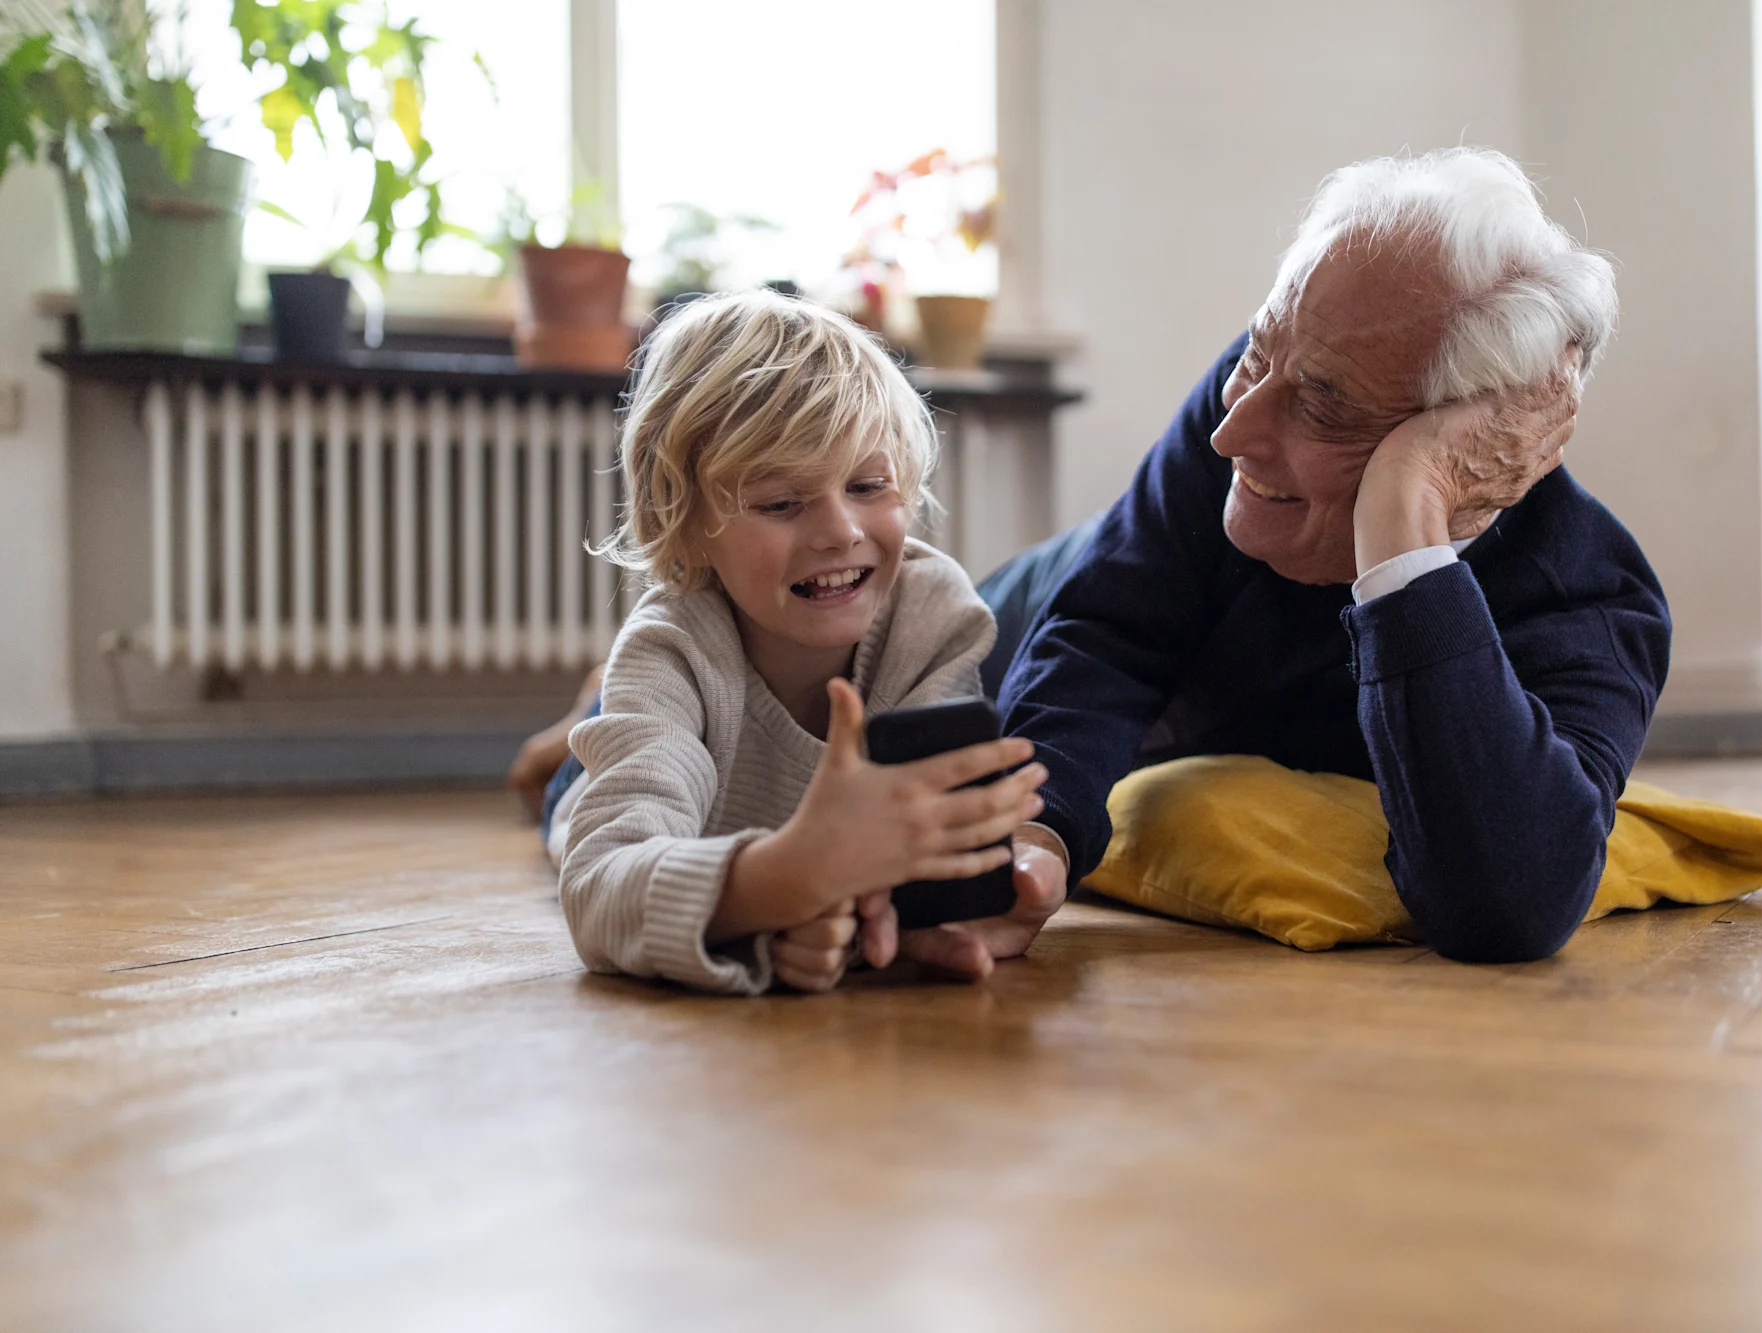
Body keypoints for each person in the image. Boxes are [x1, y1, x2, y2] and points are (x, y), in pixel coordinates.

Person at [998, 147, 1671, 964]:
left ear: (1469, 438)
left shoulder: (1590, 600)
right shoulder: (1256, 392)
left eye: (1324, 407)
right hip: (996, 623)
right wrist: (1035, 831)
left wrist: (1406, 527)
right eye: (1257, 353)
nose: (1231, 431)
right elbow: (1108, 634)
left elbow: (1509, 903)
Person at [555, 291, 1061, 995]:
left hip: (707, 794)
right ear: (686, 526)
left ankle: (590, 710)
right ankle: (574, 734)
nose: (840, 532)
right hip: (634, 762)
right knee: (566, 791)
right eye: (781, 503)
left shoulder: (933, 616)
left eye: (867, 485)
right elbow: (600, 887)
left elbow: (909, 864)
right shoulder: (672, 650)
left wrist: (862, 924)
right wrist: (783, 882)